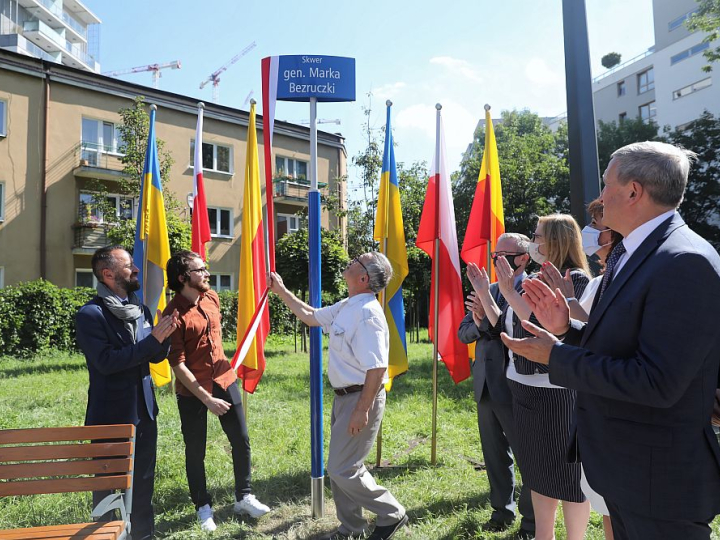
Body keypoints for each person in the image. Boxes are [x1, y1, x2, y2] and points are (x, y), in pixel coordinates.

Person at [502, 141, 720, 540]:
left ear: (634, 191)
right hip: (628, 473)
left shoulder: (683, 260)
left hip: (659, 484)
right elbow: (626, 346)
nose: (600, 198)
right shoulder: (639, 252)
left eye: (606, 185)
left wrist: (558, 355)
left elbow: (657, 381)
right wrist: (569, 329)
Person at [468, 214, 592, 540]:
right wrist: (487, 292)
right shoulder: (534, 277)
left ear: (556, 239)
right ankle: (543, 535)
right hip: (524, 389)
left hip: (557, 392)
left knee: (568, 477)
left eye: (537, 237)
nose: (534, 242)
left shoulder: (574, 279)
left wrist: (507, 291)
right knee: (537, 474)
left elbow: (539, 325)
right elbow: (507, 324)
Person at [268, 252, 408, 540]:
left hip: (360, 398)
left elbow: (377, 366)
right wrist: (280, 290)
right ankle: (351, 528)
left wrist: (362, 409)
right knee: (341, 468)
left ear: (363, 277)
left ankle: (392, 512)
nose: (351, 260)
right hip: (344, 397)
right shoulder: (349, 305)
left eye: (358, 259)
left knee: (341, 468)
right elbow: (310, 316)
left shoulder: (368, 313)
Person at [76, 245, 178, 540]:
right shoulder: (90, 315)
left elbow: (154, 357)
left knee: (143, 485)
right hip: (111, 417)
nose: (135, 270)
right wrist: (151, 343)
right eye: (128, 266)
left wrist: (165, 338)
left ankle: (143, 535)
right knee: (107, 489)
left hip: (144, 413)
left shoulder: (140, 309)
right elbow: (107, 362)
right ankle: (104, 536)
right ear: (108, 274)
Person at [163, 250, 270, 532]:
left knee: (241, 440)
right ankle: (203, 507)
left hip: (225, 379)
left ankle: (244, 497)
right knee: (195, 451)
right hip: (193, 392)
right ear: (183, 277)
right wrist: (206, 398)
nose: (207, 273)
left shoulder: (211, 298)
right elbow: (178, 365)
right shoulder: (173, 314)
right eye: (201, 270)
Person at [540, 199, 622, 540]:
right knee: (608, 509)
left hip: (621, 413)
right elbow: (588, 332)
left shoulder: (646, 273)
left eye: (600, 229)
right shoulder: (601, 280)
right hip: (596, 408)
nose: (593, 236)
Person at [457, 233, 535, 539]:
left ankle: (531, 521)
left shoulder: (530, 289)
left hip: (516, 385)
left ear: (524, 259)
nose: (497, 262)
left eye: (505, 256)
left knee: (527, 455)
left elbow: (515, 330)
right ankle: (502, 511)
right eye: (495, 257)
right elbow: (464, 333)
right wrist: (478, 322)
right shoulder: (486, 289)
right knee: (494, 455)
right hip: (487, 385)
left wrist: (488, 317)